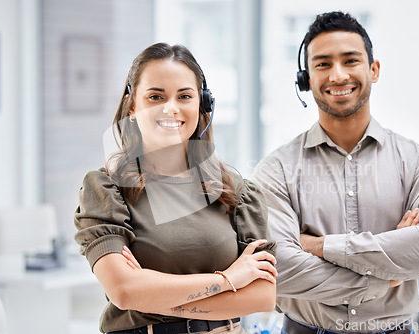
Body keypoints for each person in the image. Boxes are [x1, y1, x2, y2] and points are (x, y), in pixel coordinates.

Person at [252, 11, 419, 334]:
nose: (337, 75)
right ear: (306, 80)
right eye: (322, 64)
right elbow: (281, 268)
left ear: (373, 70)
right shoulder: (276, 170)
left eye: (350, 60)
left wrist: (319, 246)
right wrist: (386, 275)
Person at [74, 42, 277, 334]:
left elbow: (262, 296)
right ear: (132, 106)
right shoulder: (107, 189)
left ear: (201, 104)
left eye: (184, 96)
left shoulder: (236, 192)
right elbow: (124, 291)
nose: (171, 108)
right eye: (156, 96)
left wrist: (153, 296)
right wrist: (229, 279)